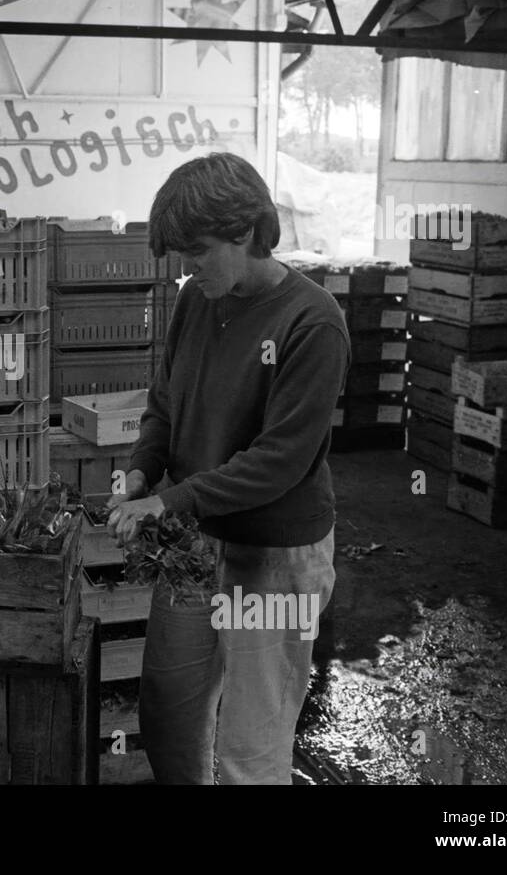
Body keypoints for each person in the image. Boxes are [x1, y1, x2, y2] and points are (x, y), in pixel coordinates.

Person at [106, 152, 350, 784]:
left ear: (245, 232)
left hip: (274, 558)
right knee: (170, 712)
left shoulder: (313, 321)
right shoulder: (195, 300)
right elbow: (165, 400)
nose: (189, 269)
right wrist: (141, 471)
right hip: (195, 544)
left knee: (251, 744)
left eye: (200, 252)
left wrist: (168, 501)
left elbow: (279, 462)